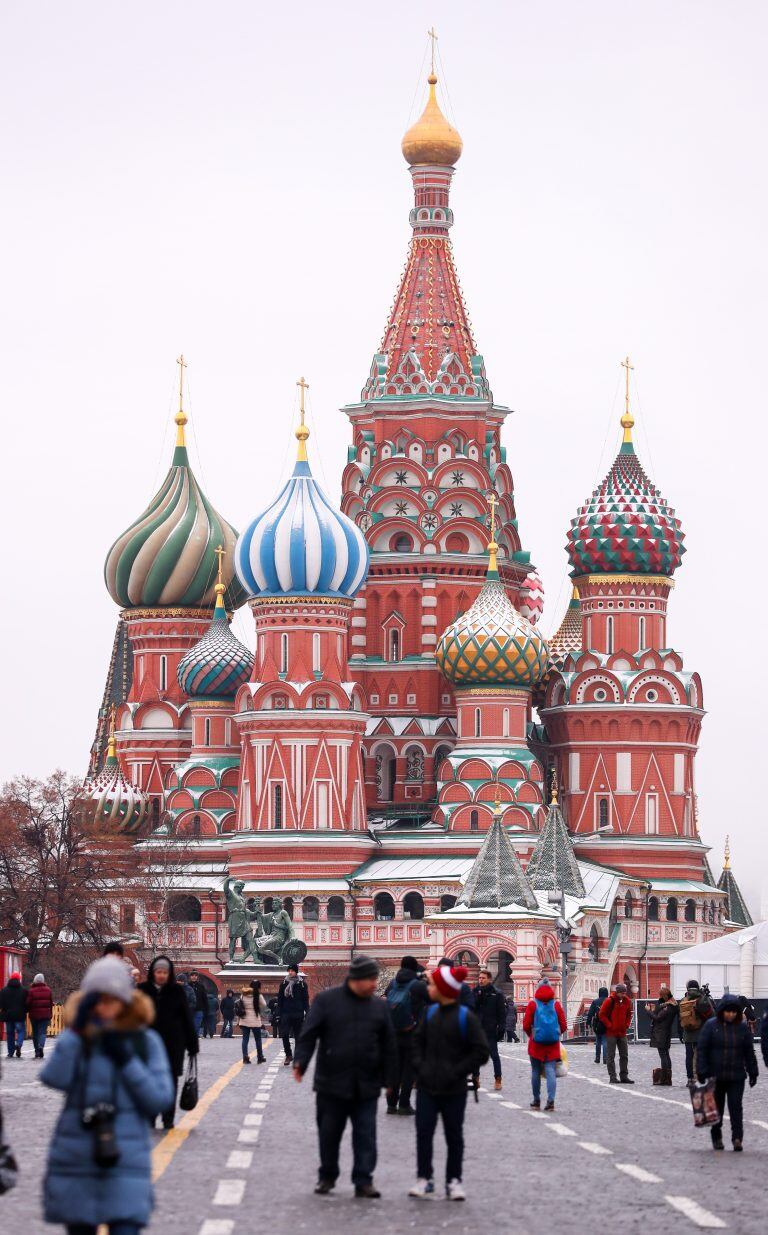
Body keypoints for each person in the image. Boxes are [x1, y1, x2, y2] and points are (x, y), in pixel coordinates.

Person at [41, 955, 174, 1234]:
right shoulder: (78, 1038)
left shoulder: (143, 1041)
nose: (105, 1008)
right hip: (77, 1154)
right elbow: (54, 1076)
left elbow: (159, 1098)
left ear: (125, 1001)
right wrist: (76, 1031)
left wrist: (127, 1061)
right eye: (97, 1000)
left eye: (112, 999)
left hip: (126, 1158)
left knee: (125, 1226)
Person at [293, 954, 396, 1199]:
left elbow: (389, 1045)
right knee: (329, 1133)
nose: (374, 984)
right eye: (370, 979)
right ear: (356, 979)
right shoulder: (327, 1001)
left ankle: (364, 1180)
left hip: (366, 1083)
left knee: (366, 1134)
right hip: (331, 1082)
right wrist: (301, 1062)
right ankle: (327, 1176)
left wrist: (392, 1079)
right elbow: (309, 1035)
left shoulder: (379, 1006)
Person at [409, 964, 489, 1201]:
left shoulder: (466, 1018)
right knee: (424, 1133)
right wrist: (420, 1068)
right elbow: (416, 1043)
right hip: (426, 1087)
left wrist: (457, 1071)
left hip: (454, 1088)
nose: (428, 988)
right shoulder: (429, 1014)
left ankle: (454, 1180)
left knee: (454, 1136)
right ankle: (424, 1178)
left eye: (432, 984)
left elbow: (480, 1051)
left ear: (443, 989)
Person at [138, 955, 199, 1130]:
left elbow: (186, 1018)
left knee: (170, 1082)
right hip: (148, 1046)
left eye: (165, 972)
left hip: (173, 1045)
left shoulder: (176, 991)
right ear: (153, 972)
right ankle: (149, 1117)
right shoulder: (142, 990)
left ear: (169, 973)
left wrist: (192, 1044)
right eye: (159, 972)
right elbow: (132, 1018)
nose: (162, 975)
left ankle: (168, 1117)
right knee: (149, 1083)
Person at [697, 992, 758, 1152]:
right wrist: (701, 1070)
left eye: (734, 1011)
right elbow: (702, 1049)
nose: (730, 1014)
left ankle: (737, 1138)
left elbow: (748, 1052)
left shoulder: (742, 1028)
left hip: (736, 1076)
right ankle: (716, 1136)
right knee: (717, 1108)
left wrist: (753, 1072)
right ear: (722, 1010)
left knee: (736, 1107)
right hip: (715, 1076)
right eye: (728, 1011)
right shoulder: (711, 1026)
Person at [384, 955, 425, 1115]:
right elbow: (432, 1000)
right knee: (409, 1070)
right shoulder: (417, 985)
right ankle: (404, 1104)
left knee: (394, 1069)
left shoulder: (393, 982)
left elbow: (388, 998)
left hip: (393, 1031)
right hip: (411, 1032)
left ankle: (391, 1104)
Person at [522, 979, 567, 1111]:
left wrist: (533, 1035)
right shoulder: (556, 1005)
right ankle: (551, 1101)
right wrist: (555, 1034)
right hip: (552, 1044)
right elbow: (563, 1025)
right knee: (550, 1071)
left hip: (536, 1044)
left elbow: (525, 1025)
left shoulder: (533, 1004)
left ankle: (536, 1101)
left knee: (535, 1072)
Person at [472, 968, 506, 1091]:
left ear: (489, 979)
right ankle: (475, 1078)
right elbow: (471, 1009)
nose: (480, 980)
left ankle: (498, 1079)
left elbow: (501, 1013)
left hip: (490, 1030)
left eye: (483, 978)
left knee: (494, 1056)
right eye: (479, 978)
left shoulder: (497, 994)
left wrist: (501, 1028)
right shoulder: (475, 992)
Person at [679, 979, 714, 1085]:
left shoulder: (683, 1000)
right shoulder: (703, 998)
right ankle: (698, 1077)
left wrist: (681, 1033)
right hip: (701, 1033)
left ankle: (690, 1079)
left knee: (689, 1056)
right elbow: (712, 1015)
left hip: (688, 1033)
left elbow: (680, 1018)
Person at [599, 983, 634, 1084]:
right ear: (617, 992)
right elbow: (602, 1015)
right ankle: (612, 1077)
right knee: (611, 1056)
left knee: (624, 1055)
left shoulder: (627, 1001)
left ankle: (624, 1076)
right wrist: (610, 1025)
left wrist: (626, 1024)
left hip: (622, 1032)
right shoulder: (609, 1000)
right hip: (611, 1033)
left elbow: (629, 1014)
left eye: (624, 993)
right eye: (622, 993)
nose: (624, 995)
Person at [277, 964, 309, 1065]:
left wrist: (308, 1012)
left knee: (298, 1037)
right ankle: (288, 1055)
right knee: (285, 1035)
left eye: (292, 970)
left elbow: (305, 999)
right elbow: (280, 999)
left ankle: (297, 1058)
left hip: (298, 1014)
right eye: (289, 970)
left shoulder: (302, 984)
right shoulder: (283, 983)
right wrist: (278, 1013)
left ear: (296, 972)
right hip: (286, 1013)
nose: (290, 972)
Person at [645, 985, 677, 1085]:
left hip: (661, 1032)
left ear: (664, 996)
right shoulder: (673, 1005)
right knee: (666, 1054)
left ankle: (664, 1078)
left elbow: (657, 1018)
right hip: (666, 1032)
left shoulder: (667, 1007)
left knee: (663, 1055)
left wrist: (648, 1011)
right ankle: (668, 1077)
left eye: (660, 996)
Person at [236, 981, 267, 1064]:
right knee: (258, 1040)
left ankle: (245, 1057)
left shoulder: (243, 995)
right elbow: (264, 1004)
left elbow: (240, 1006)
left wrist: (238, 1021)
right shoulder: (258, 996)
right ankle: (260, 1057)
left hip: (244, 1019)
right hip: (255, 1020)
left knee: (245, 1039)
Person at [0, 972, 28, 1059]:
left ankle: (10, 1052)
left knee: (10, 1034)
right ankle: (18, 1045)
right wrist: (25, 1010)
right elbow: (27, 1003)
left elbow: (1, 1004)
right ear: (19, 979)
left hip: (8, 1015)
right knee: (21, 1031)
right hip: (20, 1015)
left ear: (10, 978)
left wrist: (4, 1010)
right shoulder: (24, 990)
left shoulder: (4, 990)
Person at [28, 973, 54, 1060]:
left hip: (34, 1015)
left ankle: (36, 1051)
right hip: (45, 1015)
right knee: (42, 1032)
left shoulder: (31, 990)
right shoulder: (48, 990)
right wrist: (50, 1013)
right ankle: (41, 1046)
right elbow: (51, 1003)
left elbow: (28, 1003)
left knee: (35, 1033)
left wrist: (28, 1009)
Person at [586, 986, 609, 1064]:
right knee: (605, 1041)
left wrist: (588, 1023)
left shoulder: (595, 1002)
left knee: (598, 1041)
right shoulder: (609, 1001)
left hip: (597, 1024)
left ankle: (597, 1058)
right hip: (607, 1023)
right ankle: (605, 1059)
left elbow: (590, 1014)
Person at [188, 972, 208, 1037]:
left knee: (197, 1025)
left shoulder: (201, 986)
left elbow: (205, 998)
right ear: (190, 977)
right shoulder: (187, 986)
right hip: (189, 1009)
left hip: (199, 1009)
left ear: (197, 977)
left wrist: (206, 1009)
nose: (194, 977)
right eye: (192, 975)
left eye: (195, 975)